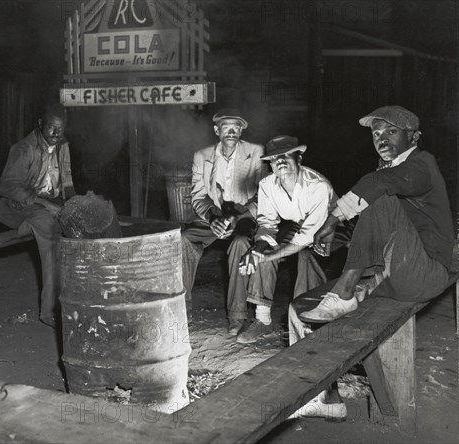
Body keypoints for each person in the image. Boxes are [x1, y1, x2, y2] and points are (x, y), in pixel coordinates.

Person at [287, 105, 454, 422]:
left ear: (412, 136)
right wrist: (332, 242)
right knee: (299, 308)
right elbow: (373, 231)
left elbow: (382, 189)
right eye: (377, 133)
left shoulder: (422, 163)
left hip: (427, 272)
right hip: (394, 274)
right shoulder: (387, 172)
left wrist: (333, 218)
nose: (382, 138)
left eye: (391, 131)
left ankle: (345, 294)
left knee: (381, 192)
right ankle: (322, 397)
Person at [236, 135, 336, 343]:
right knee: (261, 250)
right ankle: (263, 321)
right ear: (270, 164)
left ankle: (306, 324)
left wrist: (269, 256)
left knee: (307, 255)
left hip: (332, 227)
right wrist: (259, 250)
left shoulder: (318, 185)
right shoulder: (267, 185)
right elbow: (267, 226)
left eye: (285, 156)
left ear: (298, 158)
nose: (280, 161)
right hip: (299, 226)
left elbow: (307, 238)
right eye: (274, 158)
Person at [181, 108, 268, 332]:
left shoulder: (257, 152)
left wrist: (240, 216)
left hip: (243, 215)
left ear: (240, 131)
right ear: (216, 130)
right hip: (215, 214)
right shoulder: (202, 155)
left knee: (240, 244)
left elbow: (264, 195)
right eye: (226, 126)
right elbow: (198, 195)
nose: (231, 131)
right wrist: (212, 218)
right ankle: (181, 309)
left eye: (236, 127)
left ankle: (237, 316)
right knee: (184, 239)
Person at [0, 102, 75, 327]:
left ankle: (73, 303)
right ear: (40, 124)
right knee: (48, 228)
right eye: (51, 128)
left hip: (46, 205)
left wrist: (74, 205)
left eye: (61, 129)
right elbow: (6, 187)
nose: (56, 134)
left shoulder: (63, 146)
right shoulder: (24, 148)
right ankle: (49, 311)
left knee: (75, 227)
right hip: (15, 207)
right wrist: (43, 203)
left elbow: (67, 184)